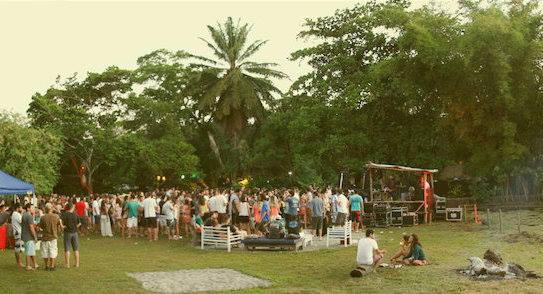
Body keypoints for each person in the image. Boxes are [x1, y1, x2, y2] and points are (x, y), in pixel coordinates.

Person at [39, 204, 63, 271]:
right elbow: (59, 225)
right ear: (51, 209)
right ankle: (52, 266)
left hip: (45, 237)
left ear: (46, 209)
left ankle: (46, 266)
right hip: (53, 236)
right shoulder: (56, 216)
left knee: (45, 252)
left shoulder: (43, 217)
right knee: (53, 251)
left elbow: (40, 227)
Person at [61, 202, 80, 268]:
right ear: (72, 207)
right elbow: (79, 223)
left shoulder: (65, 214)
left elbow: (60, 220)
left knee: (67, 249)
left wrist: (62, 226)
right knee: (76, 249)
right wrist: (75, 226)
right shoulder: (75, 214)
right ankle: (77, 264)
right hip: (75, 232)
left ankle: (67, 264)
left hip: (67, 232)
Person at [21, 203, 38, 271]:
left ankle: (35, 264)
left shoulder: (24, 215)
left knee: (31, 251)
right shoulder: (29, 216)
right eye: (32, 208)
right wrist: (35, 236)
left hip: (24, 235)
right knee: (29, 251)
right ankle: (28, 265)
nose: (34, 209)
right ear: (28, 208)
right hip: (29, 236)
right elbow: (31, 227)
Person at [11, 203, 24, 268]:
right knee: (19, 248)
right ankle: (19, 263)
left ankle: (18, 262)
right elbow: (22, 222)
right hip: (19, 232)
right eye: (21, 207)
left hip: (16, 232)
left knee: (18, 248)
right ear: (18, 208)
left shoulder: (14, 214)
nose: (22, 209)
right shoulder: (17, 214)